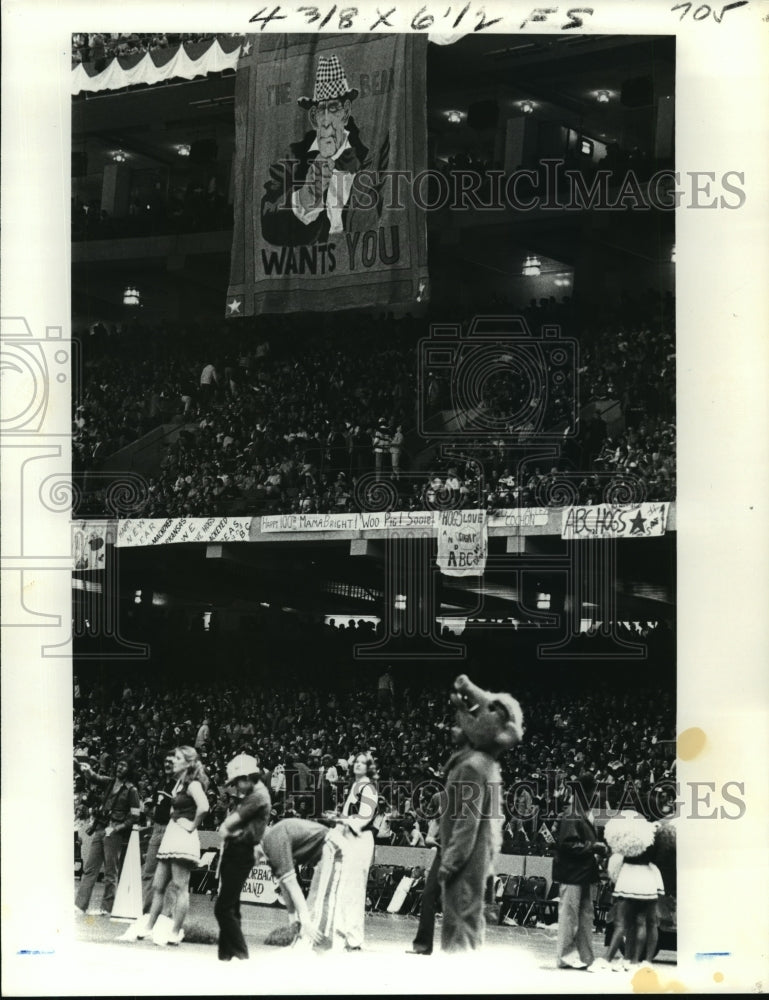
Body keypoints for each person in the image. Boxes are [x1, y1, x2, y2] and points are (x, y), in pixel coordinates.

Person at [260, 54, 373, 247]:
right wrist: (305, 198)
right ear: (314, 117)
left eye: (334, 108)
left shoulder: (370, 153)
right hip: (315, 264)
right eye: (321, 110)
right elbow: (267, 219)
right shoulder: (293, 157)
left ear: (346, 112)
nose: (327, 120)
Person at [130, 746, 210, 946]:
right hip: (172, 834)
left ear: (188, 763)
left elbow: (204, 807)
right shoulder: (179, 784)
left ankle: (175, 931)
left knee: (180, 886)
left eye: (178, 758)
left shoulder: (193, 784)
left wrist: (192, 826)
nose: (173, 761)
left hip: (183, 836)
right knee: (158, 885)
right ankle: (149, 926)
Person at [215, 754, 272, 962]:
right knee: (231, 907)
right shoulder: (253, 795)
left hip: (240, 851)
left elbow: (227, 826)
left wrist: (228, 830)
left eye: (238, 781)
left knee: (223, 908)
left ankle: (241, 955)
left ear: (248, 777)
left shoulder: (256, 797)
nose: (236, 787)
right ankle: (226, 956)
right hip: (239, 850)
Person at [552, 773, 608, 970]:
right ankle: (565, 957)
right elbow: (567, 844)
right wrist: (593, 847)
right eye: (593, 791)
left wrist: (596, 847)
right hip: (571, 873)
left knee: (585, 917)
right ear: (584, 792)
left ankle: (585, 957)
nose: (596, 795)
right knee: (570, 916)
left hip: (582, 872)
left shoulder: (582, 814)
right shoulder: (572, 814)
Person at [75, 756, 141, 916]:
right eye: (119, 764)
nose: (120, 767)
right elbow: (95, 777)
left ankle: (107, 908)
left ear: (129, 770)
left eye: (124, 765)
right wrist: (87, 770)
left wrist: (117, 828)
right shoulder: (110, 782)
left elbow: (135, 816)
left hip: (113, 831)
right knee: (90, 868)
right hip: (102, 827)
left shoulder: (132, 790)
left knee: (111, 872)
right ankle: (79, 905)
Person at [335, 751, 378, 950]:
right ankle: (345, 934)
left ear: (369, 767)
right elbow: (348, 815)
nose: (358, 765)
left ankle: (355, 938)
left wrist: (343, 820)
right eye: (356, 762)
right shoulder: (355, 786)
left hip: (361, 839)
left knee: (355, 889)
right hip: (349, 838)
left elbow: (364, 817)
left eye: (363, 763)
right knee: (345, 887)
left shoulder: (368, 787)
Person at [141, 751, 177, 912]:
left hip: (171, 831)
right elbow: (156, 806)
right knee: (148, 871)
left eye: (172, 762)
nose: (168, 765)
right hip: (157, 829)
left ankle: (165, 915)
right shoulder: (161, 784)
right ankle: (146, 911)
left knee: (168, 875)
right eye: (166, 762)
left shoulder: (179, 786)